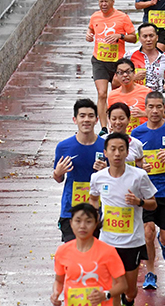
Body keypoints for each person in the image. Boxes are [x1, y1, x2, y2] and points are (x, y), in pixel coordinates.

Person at [90, 132, 158, 306]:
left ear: (128, 152)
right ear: (105, 152)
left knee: (129, 289)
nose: (117, 154)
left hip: (132, 242)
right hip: (107, 242)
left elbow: (153, 204)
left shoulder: (139, 176)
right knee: (113, 286)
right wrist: (95, 216)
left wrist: (139, 201)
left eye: (121, 149)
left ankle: (128, 300)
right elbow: (93, 198)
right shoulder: (97, 177)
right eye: (113, 149)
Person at [131, 91, 165, 290]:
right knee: (148, 231)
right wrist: (139, 168)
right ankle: (151, 272)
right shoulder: (137, 134)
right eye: (150, 107)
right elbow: (131, 164)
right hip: (145, 191)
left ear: (164, 109)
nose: (154, 110)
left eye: (158, 107)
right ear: (145, 109)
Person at [51, 202, 128, 306]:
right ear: (71, 223)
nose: (82, 226)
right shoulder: (62, 251)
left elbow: (123, 285)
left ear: (96, 224)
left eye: (88, 222)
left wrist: (105, 295)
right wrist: (56, 293)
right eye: (78, 221)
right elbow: (59, 280)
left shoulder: (108, 251)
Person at [54, 99, 107, 241]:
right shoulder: (63, 147)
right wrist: (57, 173)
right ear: (75, 119)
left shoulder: (106, 146)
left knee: (94, 256)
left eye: (90, 116)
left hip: (98, 210)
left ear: (96, 120)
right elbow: (59, 178)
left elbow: (115, 177)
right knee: (73, 254)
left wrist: (106, 170)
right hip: (71, 210)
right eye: (82, 116)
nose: (86, 120)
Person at [87, 0, 138, 131]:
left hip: (118, 63)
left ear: (113, 2)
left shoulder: (122, 17)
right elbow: (91, 29)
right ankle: (103, 127)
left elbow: (134, 38)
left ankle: (117, 123)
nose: (103, 4)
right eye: (101, 1)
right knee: (102, 93)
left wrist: (120, 36)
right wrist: (88, 35)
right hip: (99, 60)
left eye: (106, 1)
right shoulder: (95, 16)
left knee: (116, 93)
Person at [127, 24, 165, 93]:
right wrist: (133, 78)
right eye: (145, 36)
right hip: (136, 97)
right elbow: (116, 80)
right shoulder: (129, 55)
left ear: (157, 37)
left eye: (151, 36)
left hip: (157, 98)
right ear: (139, 39)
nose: (148, 39)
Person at [108, 57, 153, 129]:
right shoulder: (112, 95)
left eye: (128, 71)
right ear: (116, 75)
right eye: (121, 72)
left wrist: (144, 114)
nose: (125, 75)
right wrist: (110, 124)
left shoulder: (146, 92)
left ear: (134, 73)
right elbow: (109, 116)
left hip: (143, 134)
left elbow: (161, 115)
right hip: (122, 135)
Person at [106, 102, 144, 167]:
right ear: (109, 120)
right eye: (114, 119)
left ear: (129, 119)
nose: (117, 122)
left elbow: (140, 161)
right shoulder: (102, 141)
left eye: (121, 119)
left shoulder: (136, 144)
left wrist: (143, 165)